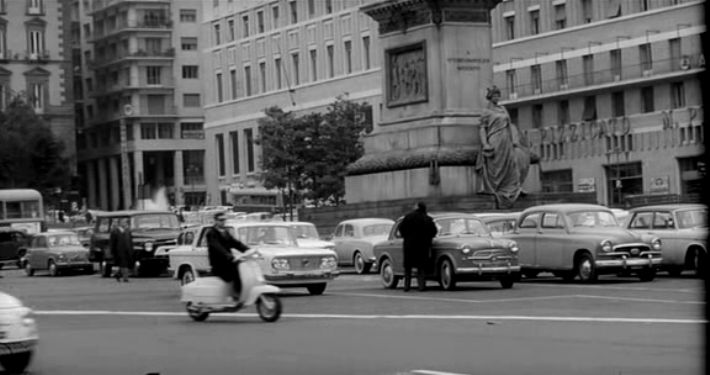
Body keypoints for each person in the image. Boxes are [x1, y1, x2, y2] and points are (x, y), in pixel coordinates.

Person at [476, 85, 527, 208]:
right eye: (494, 95)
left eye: (498, 95)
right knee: (497, 167)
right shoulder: (486, 112)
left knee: (511, 163)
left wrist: (514, 139)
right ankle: (498, 188)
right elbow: (482, 129)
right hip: (495, 140)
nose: (497, 97)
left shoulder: (503, 109)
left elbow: (510, 125)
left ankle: (514, 188)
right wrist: (485, 144)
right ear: (490, 97)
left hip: (506, 140)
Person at [206, 212, 250, 298]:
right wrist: (227, 255)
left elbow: (235, 243)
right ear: (215, 221)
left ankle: (241, 292)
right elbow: (217, 246)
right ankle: (237, 293)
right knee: (236, 270)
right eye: (221, 220)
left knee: (242, 267)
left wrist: (247, 250)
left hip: (227, 261)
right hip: (219, 263)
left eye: (224, 220)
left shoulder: (225, 232)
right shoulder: (211, 233)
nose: (223, 222)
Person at [398, 201, 438, 292]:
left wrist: (407, 237)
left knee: (408, 268)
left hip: (409, 245)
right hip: (423, 246)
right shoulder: (427, 219)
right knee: (421, 267)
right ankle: (421, 286)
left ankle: (406, 286)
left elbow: (401, 229)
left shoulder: (408, 217)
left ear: (417, 207)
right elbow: (434, 231)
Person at [109, 218, 133, 282]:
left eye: (125, 222)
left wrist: (131, 249)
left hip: (127, 250)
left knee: (125, 264)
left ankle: (121, 275)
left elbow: (130, 241)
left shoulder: (128, 231)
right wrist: (112, 251)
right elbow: (112, 242)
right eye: (123, 222)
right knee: (121, 264)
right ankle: (124, 277)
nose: (125, 224)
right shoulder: (115, 231)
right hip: (119, 251)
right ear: (120, 223)